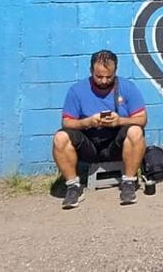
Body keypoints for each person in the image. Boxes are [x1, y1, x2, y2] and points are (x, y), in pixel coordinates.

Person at [53, 50, 147, 208]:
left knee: (136, 131)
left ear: (115, 72)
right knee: (60, 137)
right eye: (99, 76)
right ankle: (73, 186)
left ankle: (129, 183)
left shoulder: (128, 87)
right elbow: (67, 122)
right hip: (88, 144)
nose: (104, 81)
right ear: (91, 71)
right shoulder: (77, 90)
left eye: (109, 77)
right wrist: (87, 122)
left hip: (115, 144)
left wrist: (119, 121)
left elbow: (142, 119)